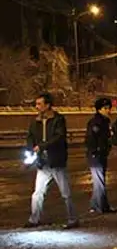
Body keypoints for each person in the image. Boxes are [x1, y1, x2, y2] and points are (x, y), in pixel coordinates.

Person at [25, 92, 79, 229]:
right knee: (37, 193)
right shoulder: (35, 121)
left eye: (39, 104)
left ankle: (73, 219)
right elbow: (30, 136)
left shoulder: (58, 119)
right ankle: (34, 219)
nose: (36, 107)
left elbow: (59, 137)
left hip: (56, 161)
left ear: (47, 105)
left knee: (65, 193)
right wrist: (31, 147)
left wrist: (42, 146)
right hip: (43, 163)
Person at [85, 97, 115, 214]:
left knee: (100, 181)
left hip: (101, 154)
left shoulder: (105, 121)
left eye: (109, 108)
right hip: (96, 155)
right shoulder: (95, 122)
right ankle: (101, 207)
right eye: (105, 108)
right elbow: (91, 139)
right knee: (99, 182)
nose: (108, 110)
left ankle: (97, 205)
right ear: (99, 109)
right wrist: (95, 150)